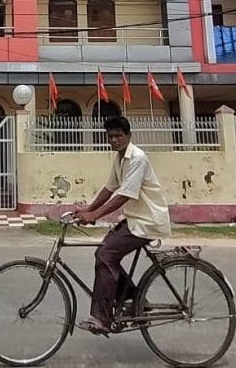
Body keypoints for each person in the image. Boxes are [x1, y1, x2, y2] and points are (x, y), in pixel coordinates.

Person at [72, 115, 172, 335]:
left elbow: (124, 195)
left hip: (148, 221)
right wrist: (88, 210)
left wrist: (95, 215)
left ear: (128, 135)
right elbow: (109, 188)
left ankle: (102, 319)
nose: (114, 140)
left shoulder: (137, 158)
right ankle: (136, 300)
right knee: (105, 254)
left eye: (118, 135)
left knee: (105, 255)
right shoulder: (119, 158)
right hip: (135, 220)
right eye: (110, 136)